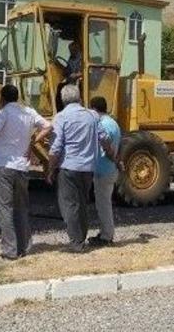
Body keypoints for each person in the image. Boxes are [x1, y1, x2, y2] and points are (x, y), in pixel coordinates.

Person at [46, 85, 118, 253]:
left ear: (63, 100)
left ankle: (76, 243)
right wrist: (111, 154)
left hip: (69, 167)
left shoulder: (61, 117)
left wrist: (50, 169)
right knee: (82, 203)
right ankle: (81, 238)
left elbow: (56, 148)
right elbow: (104, 139)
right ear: (79, 98)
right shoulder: (92, 116)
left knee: (69, 205)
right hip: (88, 169)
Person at [0, 84, 52, 260]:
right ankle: (24, 247)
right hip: (22, 167)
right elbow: (48, 126)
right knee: (21, 207)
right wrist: (32, 142)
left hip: (3, 165)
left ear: (2, 98)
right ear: (17, 97)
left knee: (4, 209)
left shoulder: (2, 114)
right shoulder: (28, 112)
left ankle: (10, 251)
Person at [88, 96, 122, 247]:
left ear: (94, 109)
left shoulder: (103, 124)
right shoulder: (113, 123)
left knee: (103, 205)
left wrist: (114, 160)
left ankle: (106, 236)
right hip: (109, 169)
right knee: (103, 203)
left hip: (104, 169)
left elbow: (106, 145)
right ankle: (104, 233)